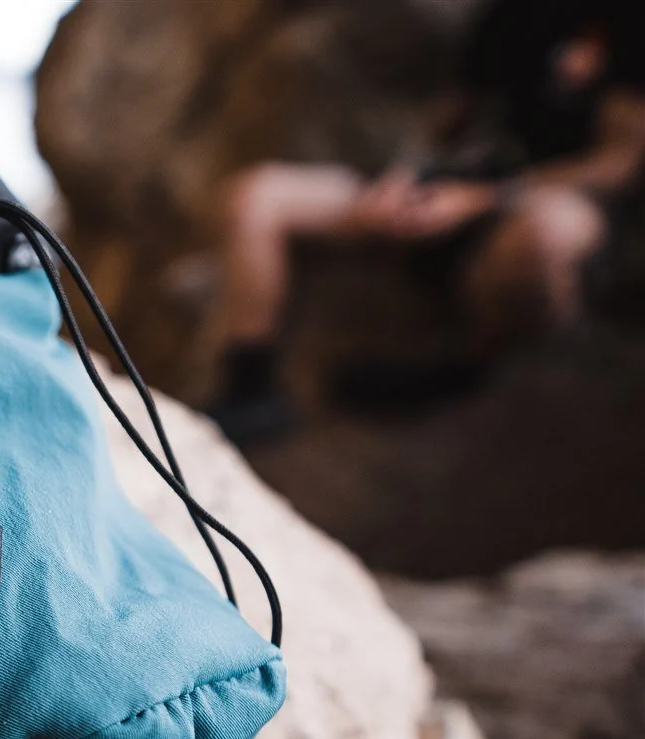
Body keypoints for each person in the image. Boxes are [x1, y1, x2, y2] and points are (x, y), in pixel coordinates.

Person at [204, 0, 645, 445]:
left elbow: (617, 167)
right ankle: (248, 385)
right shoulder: (518, 14)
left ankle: (462, 365)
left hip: (539, 209)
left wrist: (483, 197)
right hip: (457, 189)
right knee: (258, 194)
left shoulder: (631, 30)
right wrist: (407, 179)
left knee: (552, 228)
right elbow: (455, 120)